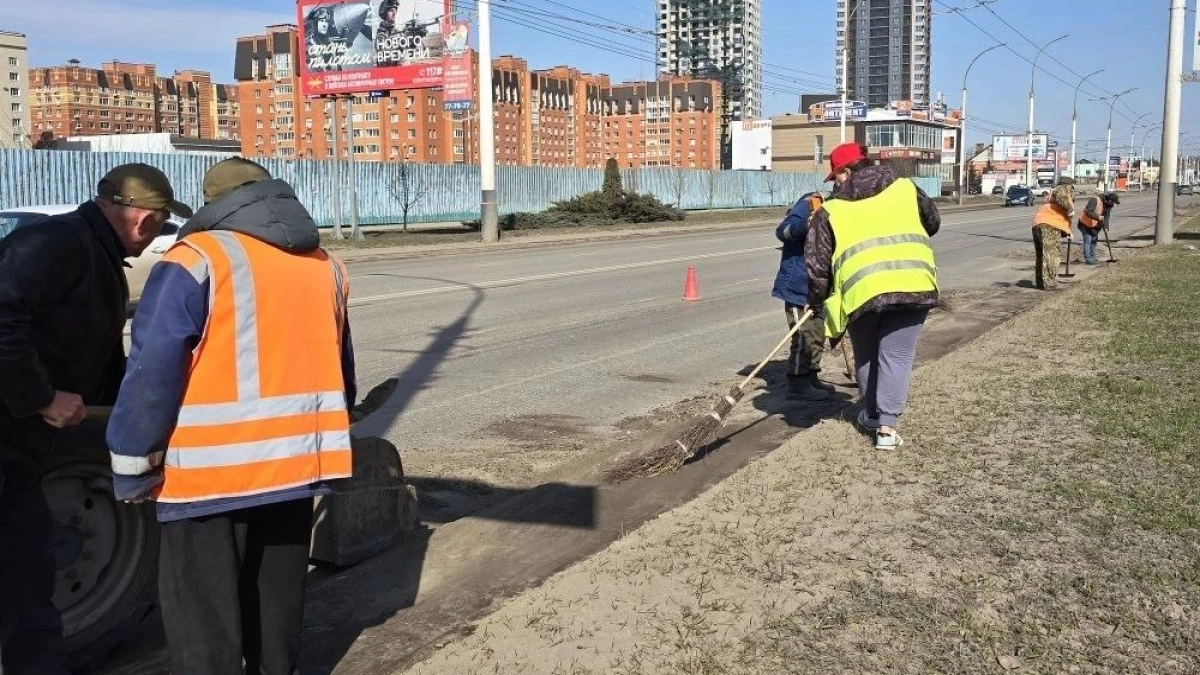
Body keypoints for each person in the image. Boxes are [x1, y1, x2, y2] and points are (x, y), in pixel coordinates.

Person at [106, 158, 357, 675]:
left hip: (208, 480)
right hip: (294, 469)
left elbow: (153, 371)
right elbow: (342, 369)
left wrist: (131, 464)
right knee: (276, 608)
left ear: (213, 205)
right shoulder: (324, 263)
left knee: (203, 620)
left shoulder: (195, 258)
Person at [0, 164, 191, 674]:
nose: (152, 234)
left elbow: (100, 355)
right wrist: (42, 397)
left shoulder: (95, 254)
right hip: (10, 436)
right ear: (143, 220)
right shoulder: (56, 245)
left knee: (27, 572)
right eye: (156, 224)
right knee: (27, 574)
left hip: (26, 441)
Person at [804, 142, 940, 451]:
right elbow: (932, 223)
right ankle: (887, 429)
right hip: (911, 281)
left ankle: (872, 413)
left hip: (859, 292)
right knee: (897, 355)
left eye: (835, 177)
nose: (834, 184)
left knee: (866, 351)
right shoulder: (907, 189)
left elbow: (817, 264)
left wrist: (816, 299)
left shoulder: (832, 210)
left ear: (847, 172)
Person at [772, 191, 834, 401]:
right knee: (802, 337)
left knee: (817, 334)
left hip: (817, 288)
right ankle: (798, 382)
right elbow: (783, 232)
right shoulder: (807, 205)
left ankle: (811, 376)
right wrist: (807, 224)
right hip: (798, 286)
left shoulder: (835, 209)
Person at [1031, 178, 1075, 288]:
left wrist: (1068, 232)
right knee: (1052, 255)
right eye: (1072, 187)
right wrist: (1070, 209)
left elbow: (1063, 219)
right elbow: (1061, 198)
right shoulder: (1060, 189)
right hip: (1049, 226)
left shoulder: (1050, 196)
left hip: (1039, 224)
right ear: (1068, 185)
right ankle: (1049, 283)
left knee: (1041, 255)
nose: (1071, 190)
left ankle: (1041, 283)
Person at [1077, 191, 1119, 265]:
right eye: (1112, 202)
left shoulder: (1108, 205)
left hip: (1095, 226)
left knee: (1094, 241)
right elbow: (1088, 212)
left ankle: (1093, 257)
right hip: (1085, 224)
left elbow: (1106, 216)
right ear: (1108, 200)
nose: (1113, 204)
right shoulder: (1095, 200)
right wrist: (1098, 217)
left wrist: (1106, 227)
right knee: (1088, 241)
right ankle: (1088, 259)